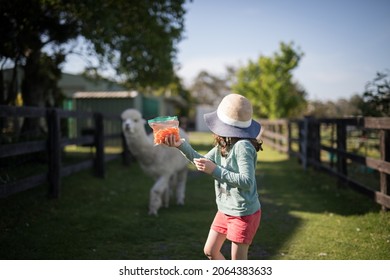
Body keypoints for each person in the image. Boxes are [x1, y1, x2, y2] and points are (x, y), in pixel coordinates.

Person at [164, 93, 263, 260]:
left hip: (243, 214)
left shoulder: (243, 146)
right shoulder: (224, 144)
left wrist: (215, 170)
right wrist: (180, 145)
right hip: (224, 210)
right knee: (210, 251)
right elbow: (202, 161)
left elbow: (247, 181)